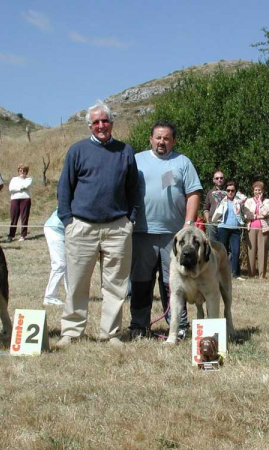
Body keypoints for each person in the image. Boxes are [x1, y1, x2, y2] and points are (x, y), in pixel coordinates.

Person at [56, 101, 139, 348]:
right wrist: (68, 221)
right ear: (89, 126)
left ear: (112, 123)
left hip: (117, 228)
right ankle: (71, 332)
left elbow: (134, 188)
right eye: (96, 122)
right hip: (81, 227)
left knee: (116, 285)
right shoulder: (77, 151)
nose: (101, 125)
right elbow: (64, 188)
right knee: (77, 282)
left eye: (105, 121)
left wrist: (130, 219)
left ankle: (110, 333)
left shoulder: (126, 151)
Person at [130, 120, 202, 340]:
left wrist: (188, 225)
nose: (162, 142)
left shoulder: (183, 162)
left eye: (167, 138)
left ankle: (178, 326)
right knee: (141, 281)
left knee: (172, 283)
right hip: (142, 232)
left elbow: (193, 193)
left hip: (174, 236)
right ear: (151, 139)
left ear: (174, 140)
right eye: (158, 137)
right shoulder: (136, 160)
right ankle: (139, 326)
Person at [212, 180, 247, 280]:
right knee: (223, 252)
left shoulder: (238, 201)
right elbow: (214, 193)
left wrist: (238, 193)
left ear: (235, 191)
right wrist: (224, 193)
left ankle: (236, 274)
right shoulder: (221, 199)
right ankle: (220, 273)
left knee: (236, 251)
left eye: (232, 190)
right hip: (223, 228)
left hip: (235, 229)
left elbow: (245, 198)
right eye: (228, 190)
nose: (230, 192)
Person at [243, 181, 269, 279]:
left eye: (259, 190)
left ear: (263, 191)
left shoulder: (267, 201)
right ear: (253, 191)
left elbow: (266, 213)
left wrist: (260, 202)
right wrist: (258, 216)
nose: (257, 192)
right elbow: (247, 215)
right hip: (251, 227)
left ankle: (261, 275)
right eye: (255, 190)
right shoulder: (248, 201)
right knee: (251, 251)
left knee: (262, 252)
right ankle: (251, 274)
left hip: (263, 229)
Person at [43, 208, 67, 307]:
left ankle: (71, 294)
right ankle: (50, 297)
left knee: (69, 265)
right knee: (60, 264)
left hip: (64, 231)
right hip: (55, 229)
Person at [6, 164, 32, 243]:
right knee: (14, 217)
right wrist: (20, 187)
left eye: (24, 170)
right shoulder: (14, 179)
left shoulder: (29, 179)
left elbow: (26, 186)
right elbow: (11, 188)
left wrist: (16, 188)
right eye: (21, 170)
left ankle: (23, 235)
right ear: (18, 171)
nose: (22, 172)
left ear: (26, 172)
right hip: (15, 199)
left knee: (24, 217)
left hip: (25, 198)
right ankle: (11, 235)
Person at [203, 170, 225, 242]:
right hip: (212, 224)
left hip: (225, 223)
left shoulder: (229, 191)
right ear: (213, 180)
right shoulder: (210, 192)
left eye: (221, 178)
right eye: (217, 178)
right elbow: (206, 208)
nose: (219, 180)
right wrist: (208, 221)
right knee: (212, 245)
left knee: (224, 247)